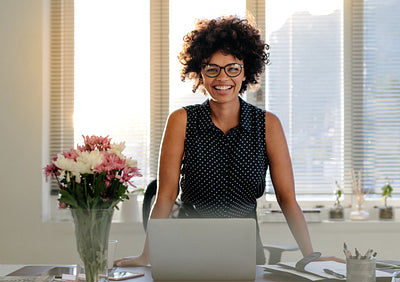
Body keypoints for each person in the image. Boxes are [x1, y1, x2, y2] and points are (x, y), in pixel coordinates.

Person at [115, 15, 343, 267]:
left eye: (232, 68)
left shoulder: (268, 125)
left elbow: (287, 199)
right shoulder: (181, 121)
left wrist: (310, 256)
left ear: (246, 72)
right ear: (200, 73)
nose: (222, 78)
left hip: (244, 249)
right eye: (212, 68)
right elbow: (166, 196)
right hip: (186, 246)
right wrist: (146, 256)